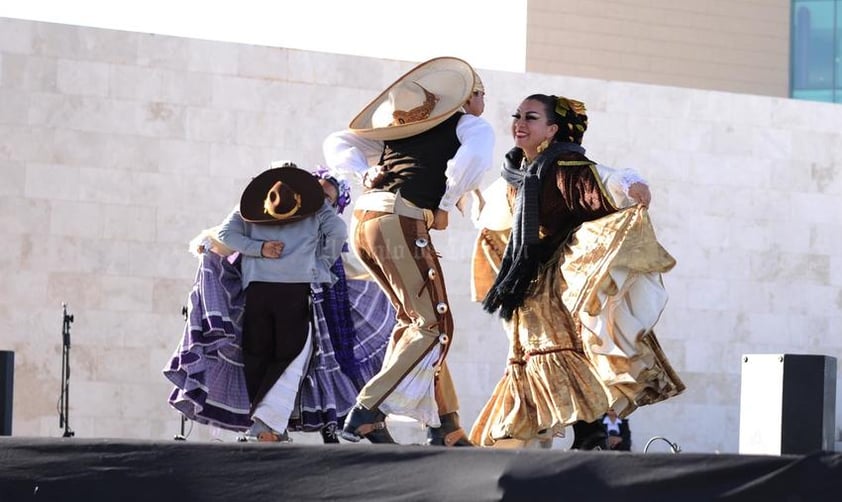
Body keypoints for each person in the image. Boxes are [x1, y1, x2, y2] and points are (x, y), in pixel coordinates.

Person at [468, 93, 685, 448]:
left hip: (557, 289)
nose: (520, 123)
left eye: (531, 118)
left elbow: (605, 181)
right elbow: (491, 214)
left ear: (552, 129)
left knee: (558, 356)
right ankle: (524, 441)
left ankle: (588, 433)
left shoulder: (565, 167)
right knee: (530, 362)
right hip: (526, 291)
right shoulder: (515, 173)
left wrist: (631, 184)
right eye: (517, 115)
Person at [322, 56, 495, 446]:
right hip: (399, 221)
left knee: (416, 321)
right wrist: (445, 205)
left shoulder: (397, 133)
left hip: (366, 221)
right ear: (469, 98)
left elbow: (337, 140)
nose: (484, 102)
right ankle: (367, 411)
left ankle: (446, 425)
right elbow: (473, 161)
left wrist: (359, 173)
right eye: (482, 94)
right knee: (434, 325)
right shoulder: (472, 125)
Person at [217, 162, 347, 442]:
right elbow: (338, 232)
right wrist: (320, 263)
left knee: (257, 355)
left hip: (258, 290)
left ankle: (267, 426)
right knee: (290, 356)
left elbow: (225, 235)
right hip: (294, 289)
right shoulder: (314, 206)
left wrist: (258, 249)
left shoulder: (253, 204)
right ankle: (267, 426)